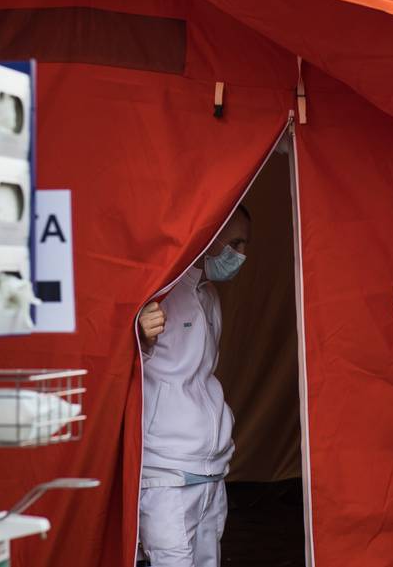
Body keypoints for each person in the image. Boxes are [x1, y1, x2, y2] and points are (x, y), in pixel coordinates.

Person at [137, 205, 251, 567]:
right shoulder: (158, 294)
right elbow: (129, 361)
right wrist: (139, 332)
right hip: (165, 471)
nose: (239, 255)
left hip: (212, 467)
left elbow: (201, 375)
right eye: (232, 243)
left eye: (244, 244)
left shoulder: (208, 295)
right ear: (207, 236)